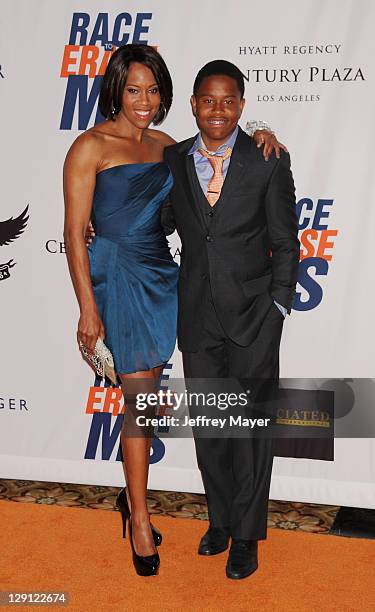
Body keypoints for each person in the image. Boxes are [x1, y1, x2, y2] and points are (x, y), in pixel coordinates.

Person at [64, 44, 286, 577]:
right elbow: (74, 232)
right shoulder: (88, 147)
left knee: (189, 409)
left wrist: (260, 130)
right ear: (115, 89)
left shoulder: (169, 147)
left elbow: (179, 210)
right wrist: (87, 310)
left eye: (152, 90)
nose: (143, 100)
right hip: (120, 279)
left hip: (167, 281)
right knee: (143, 404)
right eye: (133, 89)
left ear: (166, 96)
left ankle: (224, 524)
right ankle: (140, 519)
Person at [163, 60, 300, 580]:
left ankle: (246, 535)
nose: (217, 109)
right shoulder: (174, 160)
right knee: (212, 428)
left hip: (254, 317)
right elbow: (160, 219)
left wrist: (278, 307)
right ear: (194, 103)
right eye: (207, 100)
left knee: (250, 431)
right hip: (197, 316)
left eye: (228, 100)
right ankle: (220, 520)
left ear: (241, 105)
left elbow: (286, 241)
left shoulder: (266, 158)